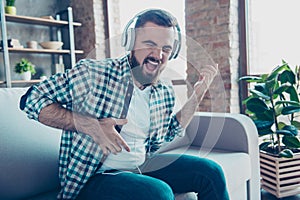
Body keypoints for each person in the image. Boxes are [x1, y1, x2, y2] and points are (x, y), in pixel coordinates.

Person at [20, 9, 229, 200]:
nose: (158, 55)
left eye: (166, 48)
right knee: (158, 193)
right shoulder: (94, 74)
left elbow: (166, 136)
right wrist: (90, 125)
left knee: (211, 172)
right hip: (94, 176)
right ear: (131, 43)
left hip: (140, 166)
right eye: (150, 44)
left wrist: (197, 96)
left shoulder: (163, 91)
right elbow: (31, 99)